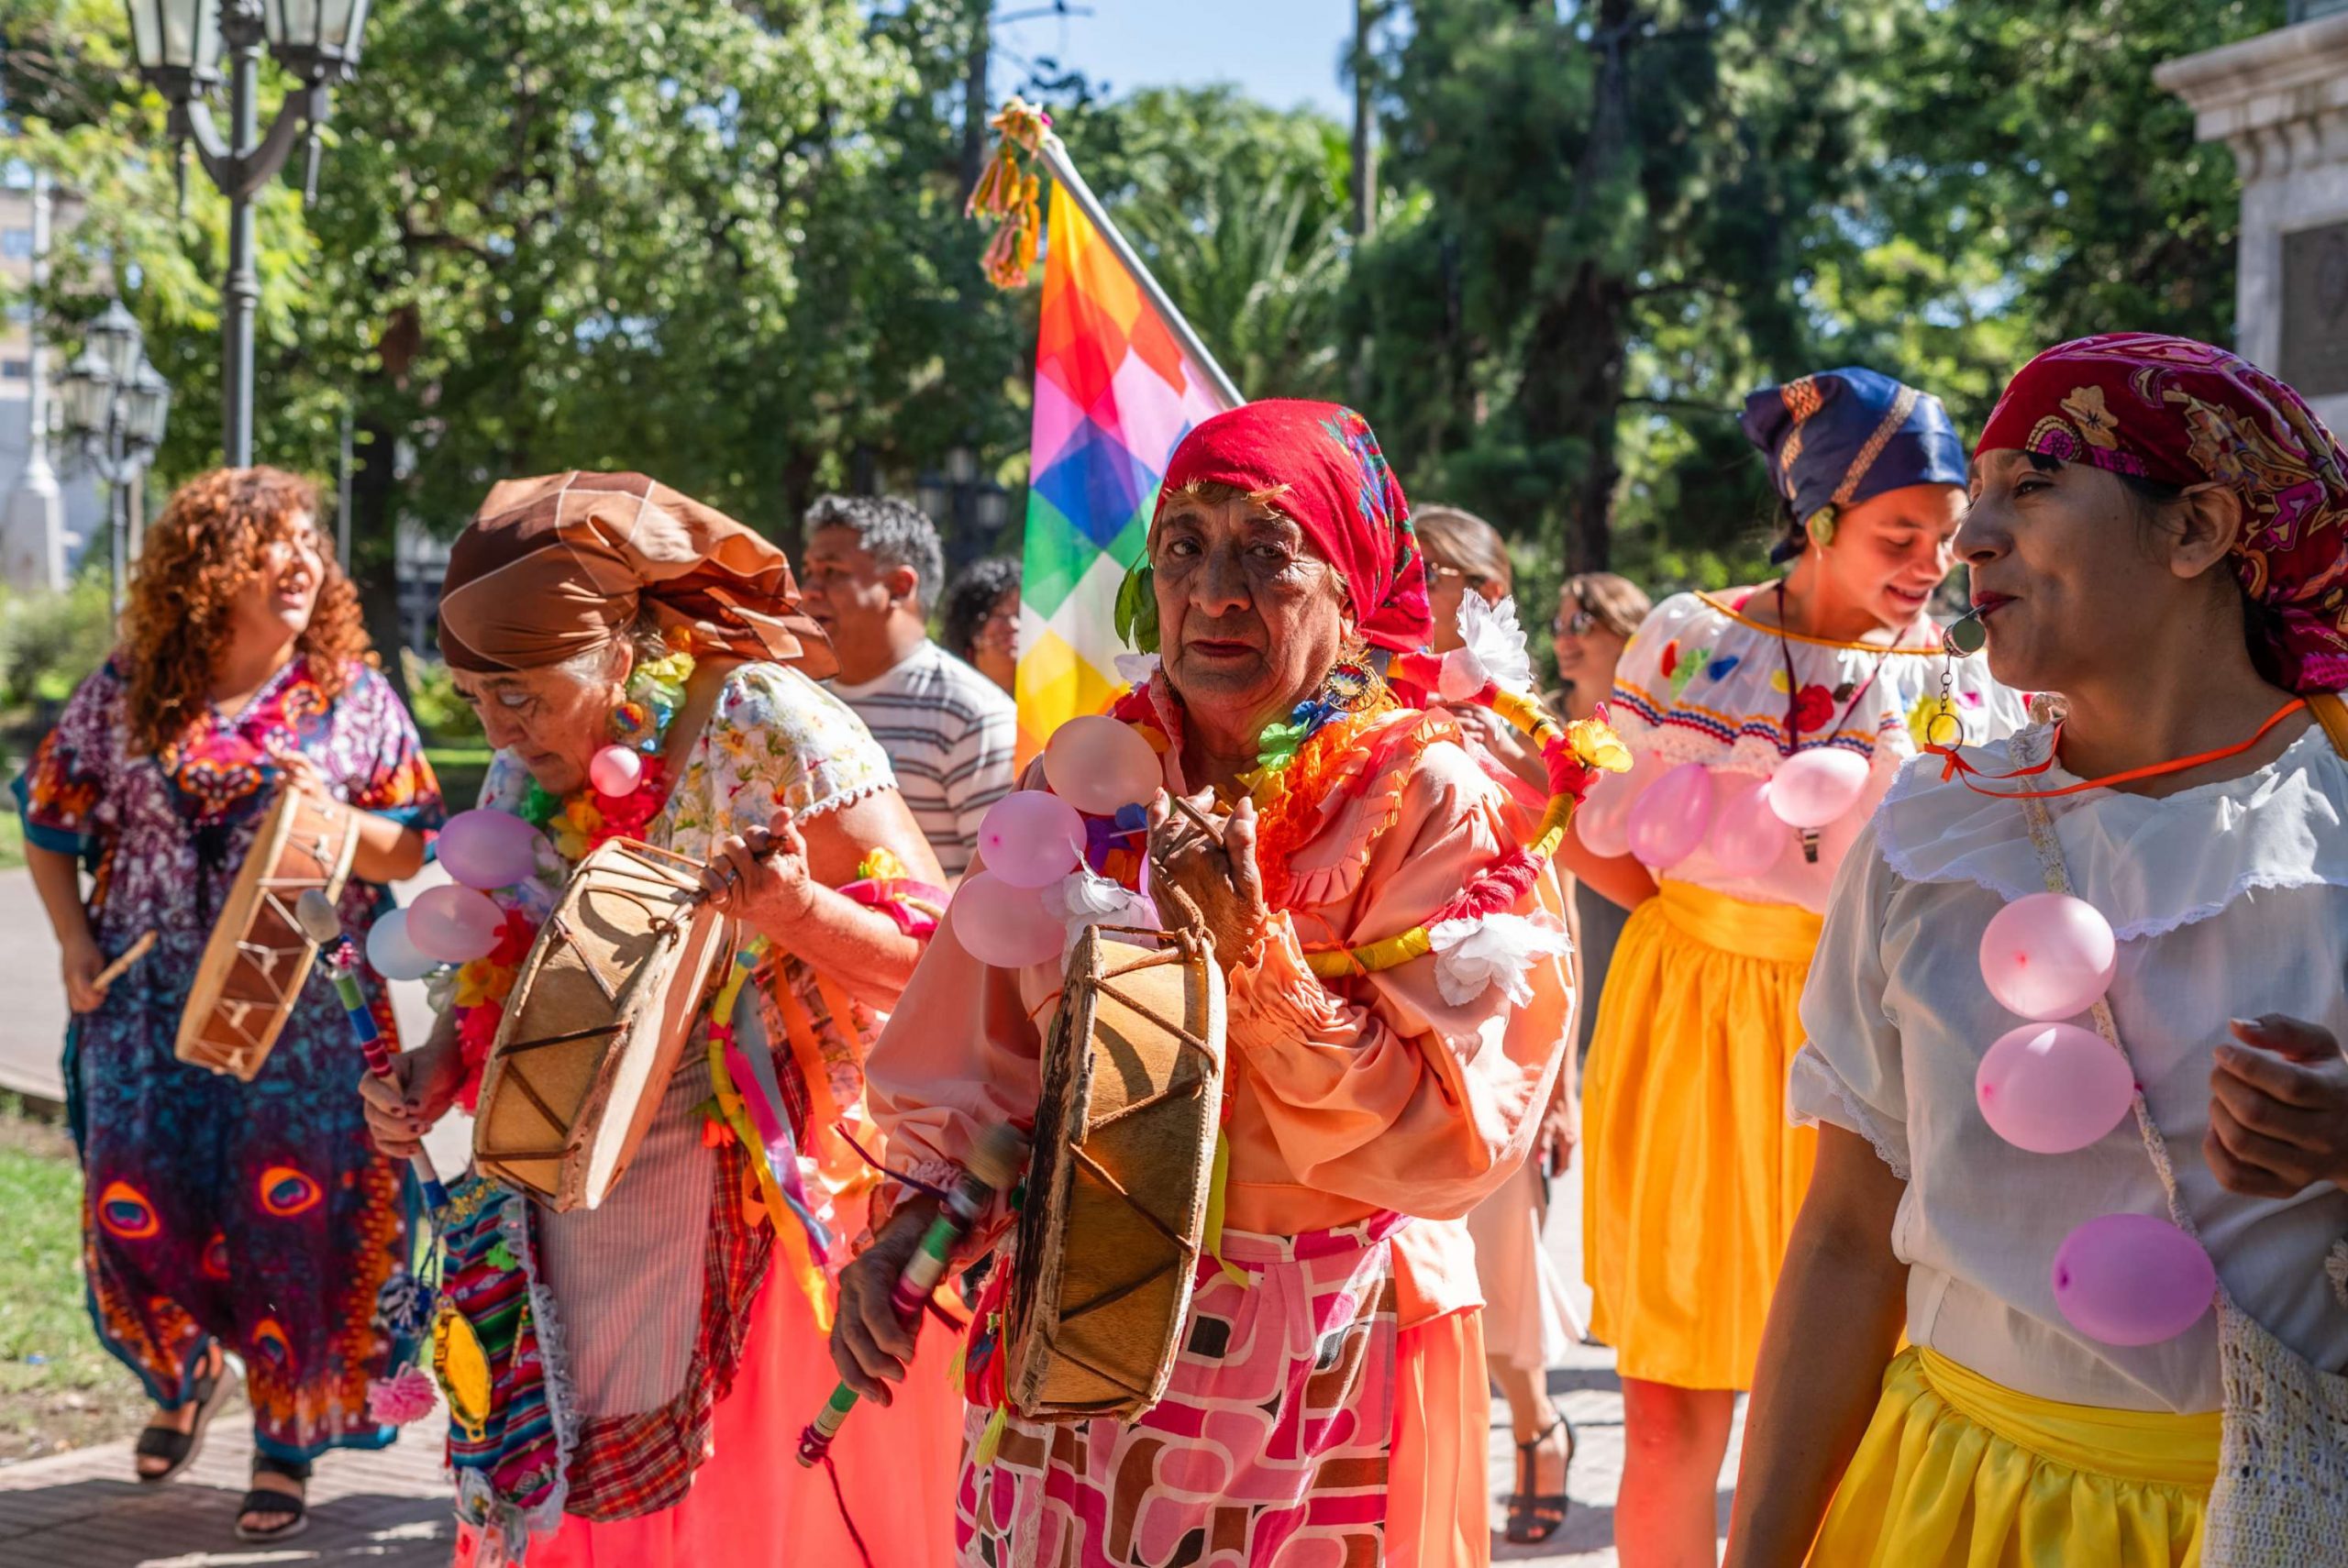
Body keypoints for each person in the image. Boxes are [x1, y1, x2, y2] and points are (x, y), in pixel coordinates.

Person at [833, 402, 1592, 1567]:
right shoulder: (1085, 778)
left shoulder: (1431, 795)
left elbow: (1450, 1141)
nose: (1217, 591)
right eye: (1184, 546)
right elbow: (980, 1067)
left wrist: (1257, 963)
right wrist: (911, 1232)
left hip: (1321, 1345)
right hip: (1073, 1324)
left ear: (1350, 589)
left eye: (1267, 553)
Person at [1728, 334, 2348, 1568]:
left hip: (2275, 1510)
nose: (1968, 539)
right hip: (1951, 1505)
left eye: (2033, 485)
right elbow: (1850, 1235)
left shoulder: (2330, 830)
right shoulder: (1929, 835)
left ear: (2196, 531)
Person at [361, 472, 962, 1567]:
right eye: (475, 698)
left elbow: (938, 970)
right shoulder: (523, 766)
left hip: (760, 1232)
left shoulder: (764, 721)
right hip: (560, 1235)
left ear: (620, 654)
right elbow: (505, 958)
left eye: (525, 694)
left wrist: (792, 910)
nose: (498, 728)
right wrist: (436, 1069)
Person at [1567, 369, 2029, 1567]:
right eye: (1900, 533)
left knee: (1848, 1404)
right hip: (1692, 1032)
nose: (1935, 562)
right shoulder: (1691, 640)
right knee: (1671, 1407)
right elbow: (1596, 837)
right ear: (1818, 516)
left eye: (1947, 532)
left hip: (1877, 1048)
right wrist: (1714, 932)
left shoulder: (1968, 685)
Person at [15, 467, 441, 1544]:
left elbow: (416, 839)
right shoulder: (131, 689)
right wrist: (72, 944)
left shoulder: (352, 694)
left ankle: (283, 1443)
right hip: (142, 1008)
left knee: (289, 1221)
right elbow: (52, 820)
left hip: (302, 1020)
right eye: (271, 545)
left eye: (310, 543)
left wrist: (332, 814)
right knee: (136, 1195)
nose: (301, 562)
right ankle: (180, 1371)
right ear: (210, 570)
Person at [1416, 502, 1584, 1545]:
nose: (1405, 584)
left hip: (1497, 1044)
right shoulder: (1353, 699)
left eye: (1427, 569)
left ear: (1482, 594)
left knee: (1503, 1281)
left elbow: (1549, 906)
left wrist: (1556, 1085)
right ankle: (1437, 1497)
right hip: (1390, 1031)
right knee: (1419, 1287)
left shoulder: (1524, 731)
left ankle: (1538, 1423)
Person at [799, 494, 1015, 878]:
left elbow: (998, 880)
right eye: (809, 572)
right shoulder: (798, 698)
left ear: (899, 587)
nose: (809, 591)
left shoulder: (971, 712)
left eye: (832, 572)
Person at [1552, 572, 1652, 1066]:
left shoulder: (1670, 731)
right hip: (1570, 931)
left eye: (1582, 622)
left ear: (1628, 627)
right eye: (1558, 623)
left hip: (1650, 933)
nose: (1563, 638)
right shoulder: (1537, 727)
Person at [1554, 572, 1650, 724]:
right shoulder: (1533, 721)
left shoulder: (1666, 724)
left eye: (1579, 624)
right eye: (1558, 626)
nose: (1562, 641)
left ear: (1623, 632)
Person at [940, 554, 1021, 696]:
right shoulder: (947, 696)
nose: (1014, 625)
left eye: (1020, 615)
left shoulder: (1055, 699)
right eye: (999, 615)